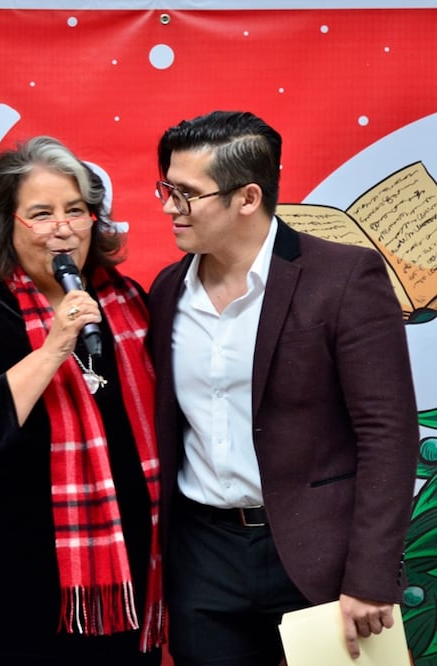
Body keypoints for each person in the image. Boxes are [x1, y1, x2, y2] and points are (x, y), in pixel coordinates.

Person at [147, 110, 419, 666]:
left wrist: (370, 575)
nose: (169, 207)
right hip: (203, 557)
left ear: (247, 197)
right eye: (166, 188)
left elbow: (388, 435)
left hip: (320, 557)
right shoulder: (168, 288)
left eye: (186, 194)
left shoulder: (345, 277)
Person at [0, 136, 165, 666]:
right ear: (8, 224)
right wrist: (53, 348)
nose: (63, 227)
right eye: (41, 214)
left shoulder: (129, 302)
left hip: (118, 592)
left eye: (76, 211)